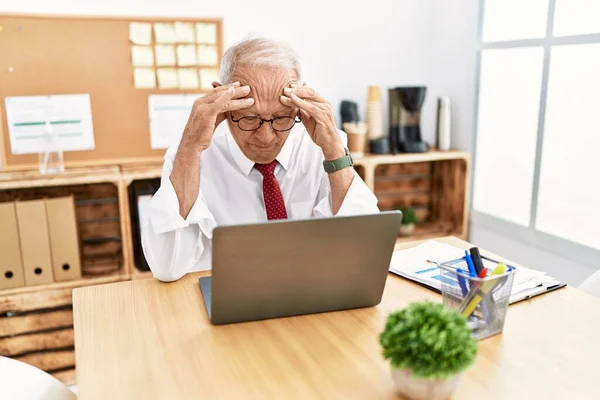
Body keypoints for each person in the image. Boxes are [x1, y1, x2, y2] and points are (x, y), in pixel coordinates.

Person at [142, 38, 379, 282]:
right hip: (227, 296)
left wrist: (335, 152)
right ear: (222, 100)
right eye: (249, 118)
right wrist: (191, 146)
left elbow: (366, 249)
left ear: (300, 101)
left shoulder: (322, 144)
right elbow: (166, 267)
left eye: (281, 118)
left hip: (310, 289)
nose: (266, 137)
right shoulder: (188, 155)